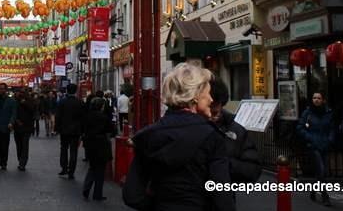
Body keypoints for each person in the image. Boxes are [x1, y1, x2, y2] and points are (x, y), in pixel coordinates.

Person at [123, 62, 233, 211]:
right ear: (195, 96)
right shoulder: (211, 136)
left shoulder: (148, 136)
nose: (211, 99)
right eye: (208, 93)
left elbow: (132, 196)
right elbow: (223, 197)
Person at [210, 78, 261, 183]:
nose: (213, 116)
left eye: (216, 112)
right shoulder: (193, 126)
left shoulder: (235, 128)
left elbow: (252, 170)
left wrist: (223, 163)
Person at [297, 91, 335, 206]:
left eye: (319, 98)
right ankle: (325, 196)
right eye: (314, 98)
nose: (316, 100)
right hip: (313, 145)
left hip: (324, 144)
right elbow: (300, 127)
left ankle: (313, 190)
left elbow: (332, 128)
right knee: (321, 170)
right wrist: (309, 137)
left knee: (321, 172)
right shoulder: (308, 113)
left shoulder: (328, 113)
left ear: (323, 100)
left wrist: (330, 139)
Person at [82, 97, 115, 201]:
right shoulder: (104, 118)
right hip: (101, 144)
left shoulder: (87, 116)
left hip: (90, 143)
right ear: (101, 106)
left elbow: (84, 129)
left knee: (92, 167)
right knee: (100, 170)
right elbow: (112, 130)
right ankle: (97, 194)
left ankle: (86, 188)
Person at [56, 83, 84, 179]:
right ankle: (71, 171)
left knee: (63, 149)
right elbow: (82, 118)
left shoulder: (62, 102)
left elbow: (58, 116)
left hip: (64, 130)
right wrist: (82, 131)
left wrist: (57, 128)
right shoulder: (80, 102)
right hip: (76, 131)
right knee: (73, 151)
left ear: (67, 90)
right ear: (76, 91)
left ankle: (64, 168)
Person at [13, 90, 36, 171]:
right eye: (20, 93)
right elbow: (13, 112)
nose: (20, 94)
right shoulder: (15, 101)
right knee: (19, 145)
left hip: (27, 127)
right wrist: (16, 121)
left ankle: (22, 163)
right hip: (17, 127)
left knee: (25, 146)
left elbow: (33, 111)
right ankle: (20, 160)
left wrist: (25, 103)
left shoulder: (31, 101)